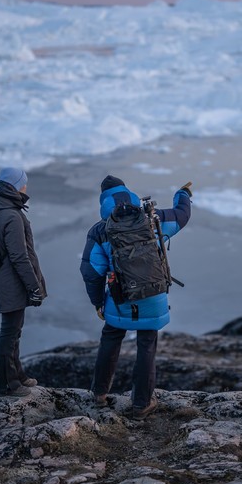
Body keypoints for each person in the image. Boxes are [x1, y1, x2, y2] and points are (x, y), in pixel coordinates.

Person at [80, 175, 192, 420]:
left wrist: (98, 302)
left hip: (119, 299)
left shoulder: (100, 231)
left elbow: (92, 272)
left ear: (104, 201)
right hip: (153, 295)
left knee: (111, 337)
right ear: (129, 194)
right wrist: (183, 194)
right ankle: (141, 404)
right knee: (147, 344)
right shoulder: (154, 220)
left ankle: (99, 394)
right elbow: (182, 215)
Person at [0, 167, 47, 398]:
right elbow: (19, 256)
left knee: (15, 330)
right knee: (9, 332)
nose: (26, 187)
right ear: (16, 186)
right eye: (24, 183)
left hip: (4, 277)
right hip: (11, 280)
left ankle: (17, 374)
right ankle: (6, 384)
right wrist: (33, 287)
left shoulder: (1, 206)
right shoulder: (10, 214)